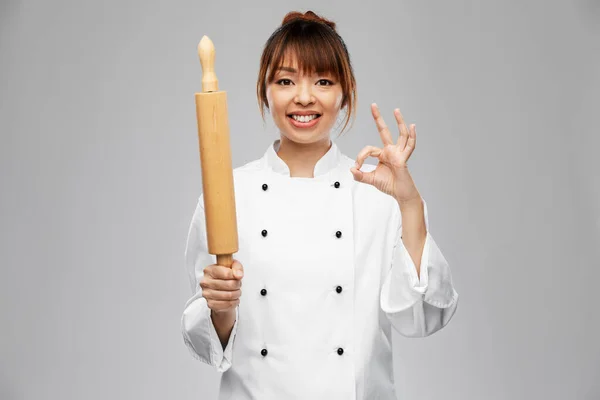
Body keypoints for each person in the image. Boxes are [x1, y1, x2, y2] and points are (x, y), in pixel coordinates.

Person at [181, 10, 459, 400]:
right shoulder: (228, 193)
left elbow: (423, 317)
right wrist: (220, 306)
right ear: (265, 91)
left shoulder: (378, 195)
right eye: (285, 81)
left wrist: (410, 203)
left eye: (323, 81)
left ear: (345, 93)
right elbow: (206, 342)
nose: (304, 97)